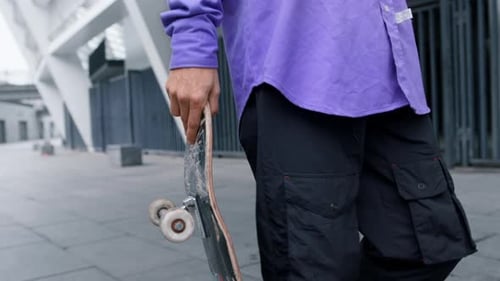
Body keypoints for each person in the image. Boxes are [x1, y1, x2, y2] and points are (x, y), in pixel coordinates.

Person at [160, 1, 477, 280]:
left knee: (431, 245)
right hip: (295, 70)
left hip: (391, 74)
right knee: (312, 268)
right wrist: (191, 40)